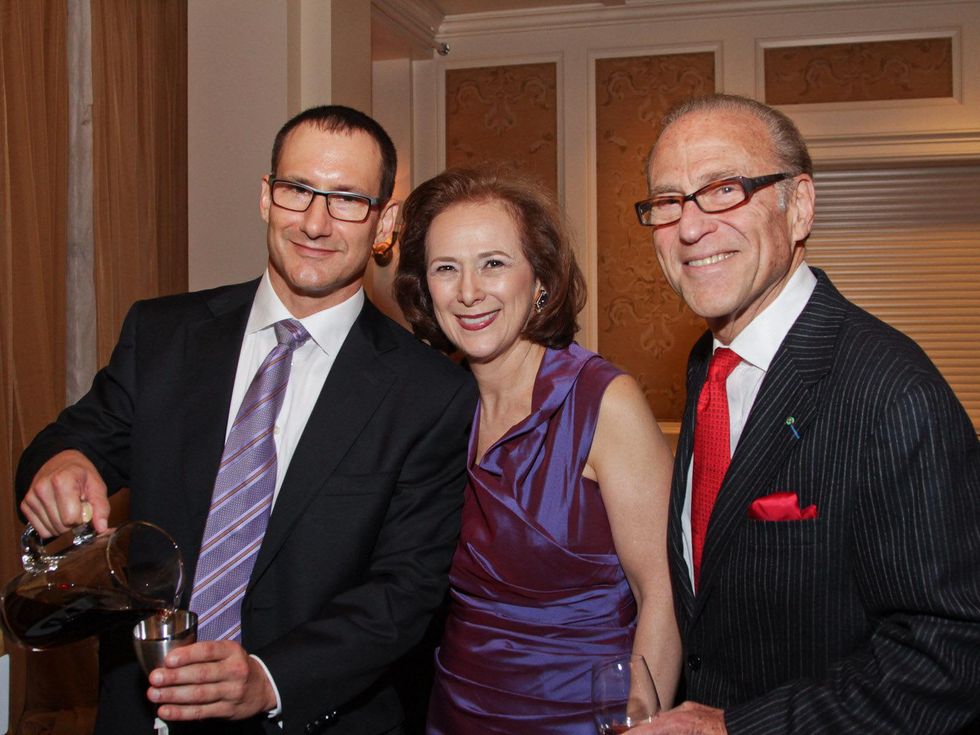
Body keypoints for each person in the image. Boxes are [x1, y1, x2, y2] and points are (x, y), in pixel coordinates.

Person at [16, 105, 477, 735]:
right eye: (298, 190)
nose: (315, 222)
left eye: (347, 199)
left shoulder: (431, 393)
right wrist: (63, 463)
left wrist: (268, 678)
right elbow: (73, 440)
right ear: (267, 197)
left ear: (384, 223)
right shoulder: (163, 335)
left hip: (312, 715)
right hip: (139, 709)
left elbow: (406, 592)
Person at [628, 93, 980, 734]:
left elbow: (949, 656)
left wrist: (736, 728)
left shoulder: (890, 390)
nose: (688, 226)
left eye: (724, 189)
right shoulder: (709, 365)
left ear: (801, 208)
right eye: (669, 200)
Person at [393, 167, 681, 733]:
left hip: (586, 715)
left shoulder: (603, 402)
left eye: (494, 263)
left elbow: (663, 591)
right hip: (457, 708)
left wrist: (641, 723)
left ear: (541, 278)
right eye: (446, 268)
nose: (469, 291)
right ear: (426, 288)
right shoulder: (432, 407)